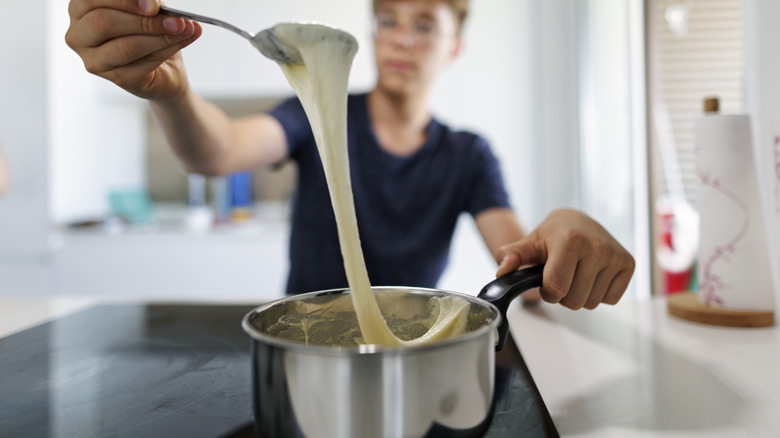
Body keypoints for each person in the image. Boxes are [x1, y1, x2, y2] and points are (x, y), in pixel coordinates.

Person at [65, 0, 635, 309]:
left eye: (424, 25)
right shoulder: (318, 110)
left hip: (408, 353)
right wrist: (177, 94)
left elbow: (517, 257)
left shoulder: (466, 155)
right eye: (387, 20)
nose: (401, 39)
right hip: (308, 343)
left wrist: (559, 232)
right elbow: (218, 152)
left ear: (454, 46)